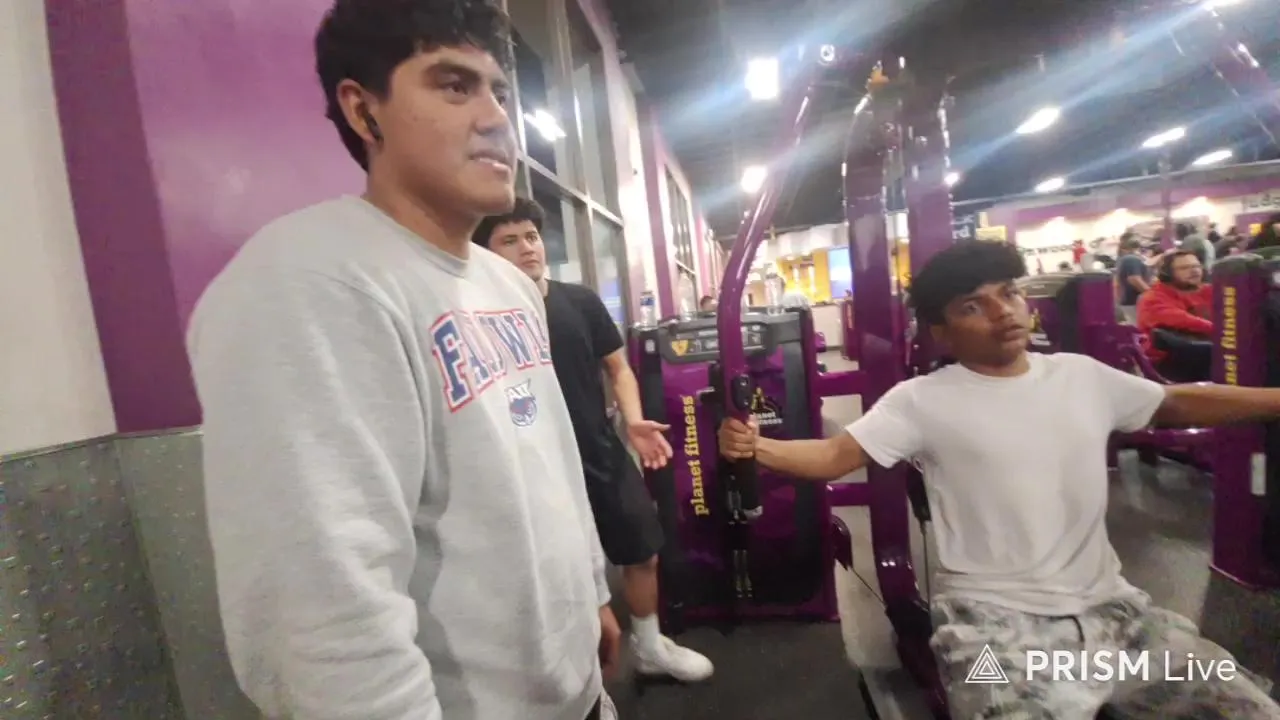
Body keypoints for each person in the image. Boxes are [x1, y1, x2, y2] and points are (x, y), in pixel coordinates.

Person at [187, 3, 619, 719]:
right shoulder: (308, 282)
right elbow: (321, 600)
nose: (496, 118)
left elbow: (551, 463)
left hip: (573, 692)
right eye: (453, 85)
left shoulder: (507, 283)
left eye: (499, 92)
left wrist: (592, 594)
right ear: (364, 111)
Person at [717, 240, 1280, 719]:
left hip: (1118, 617)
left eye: (1008, 293)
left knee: (1248, 707)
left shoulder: (1081, 376)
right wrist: (756, 446)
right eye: (973, 306)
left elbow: (1174, 402)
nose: (1003, 312)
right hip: (993, 630)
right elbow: (834, 455)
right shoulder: (921, 401)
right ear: (941, 332)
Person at [473, 198, 715, 684]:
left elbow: (618, 368)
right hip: (533, 462)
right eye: (509, 240)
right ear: (486, 252)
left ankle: (649, 646)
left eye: (531, 236)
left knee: (642, 548)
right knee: (557, 572)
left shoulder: (579, 301)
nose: (527, 248)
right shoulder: (482, 314)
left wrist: (634, 421)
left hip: (598, 448)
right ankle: (575, 670)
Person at [1136, 250, 1214, 381]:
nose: (1194, 271)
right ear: (1167, 273)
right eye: (1184, 268)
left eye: (1196, 266)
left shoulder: (1208, 290)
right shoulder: (1153, 298)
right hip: (1170, 363)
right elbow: (1182, 320)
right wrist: (1222, 330)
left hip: (1205, 354)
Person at [1114, 233, 1151, 322]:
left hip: (1127, 302)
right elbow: (1134, 279)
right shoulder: (1131, 259)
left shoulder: (1123, 259)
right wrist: (1152, 294)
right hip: (1134, 302)